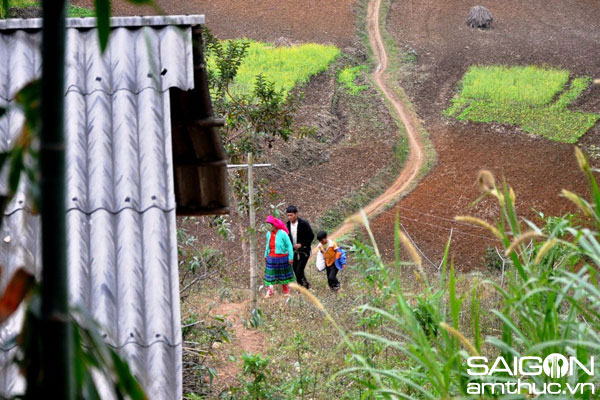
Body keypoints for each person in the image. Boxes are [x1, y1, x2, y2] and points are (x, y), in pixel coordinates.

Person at [264, 215, 295, 298]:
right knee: (270, 275)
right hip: (271, 257)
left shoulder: (282, 233)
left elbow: (289, 246)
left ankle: (286, 291)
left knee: (283, 275)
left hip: (283, 258)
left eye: (269, 225)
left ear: (274, 225)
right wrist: (266, 254)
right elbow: (267, 245)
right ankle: (270, 291)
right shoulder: (268, 234)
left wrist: (291, 257)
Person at [285, 205, 315, 289]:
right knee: (295, 270)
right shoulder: (288, 224)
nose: (289, 217)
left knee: (299, 270)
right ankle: (302, 288)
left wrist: (301, 244)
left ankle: (306, 287)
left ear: (296, 214)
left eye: (291, 215)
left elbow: (311, 236)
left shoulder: (303, 223)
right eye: (288, 215)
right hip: (293, 251)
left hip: (304, 250)